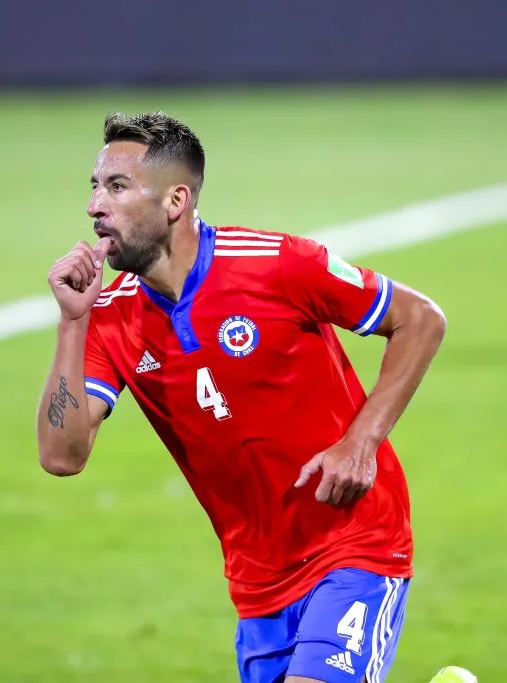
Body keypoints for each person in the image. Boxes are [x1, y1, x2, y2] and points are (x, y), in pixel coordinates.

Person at [36, 111, 447, 683]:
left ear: (176, 200)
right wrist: (72, 323)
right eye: (95, 187)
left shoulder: (278, 266)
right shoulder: (110, 318)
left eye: (117, 187)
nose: (94, 206)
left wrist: (360, 443)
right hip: (258, 581)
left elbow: (420, 320)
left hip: (354, 545)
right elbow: (62, 456)